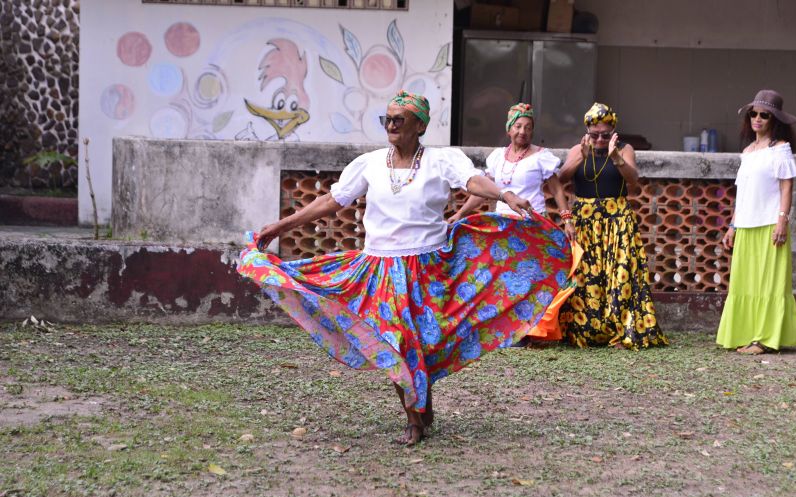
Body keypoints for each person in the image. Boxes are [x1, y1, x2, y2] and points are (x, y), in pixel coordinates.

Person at [238, 90, 572, 446]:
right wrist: (279, 226)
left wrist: (504, 195)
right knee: (396, 340)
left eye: (400, 119)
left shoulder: (441, 160)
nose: (392, 125)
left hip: (430, 268)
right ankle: (414, 418)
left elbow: (471, 181)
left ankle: (421, 397)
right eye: (388, 119)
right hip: (380, 269)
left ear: (420, 125)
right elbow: (332, 200)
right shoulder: (369, 163)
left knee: (426, 343)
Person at [448, 102, 578, 342]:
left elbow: (557, 191)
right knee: (501, 279)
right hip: (502, 227)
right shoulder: (497, 157)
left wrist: (566, 219)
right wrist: (461, 213)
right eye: (518, 126)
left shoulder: (541, 157)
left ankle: (530, 331)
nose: (523, 132)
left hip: (531, 225)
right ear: (509, 129)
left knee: (530, 278)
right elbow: (481, 192)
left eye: (528, 127)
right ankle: (504, 330)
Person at [557, 102, 668, 349]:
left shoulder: (624, 149)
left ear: (613, 132)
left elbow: (633, 180)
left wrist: (615, 156)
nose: (599, 139)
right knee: (586, 276)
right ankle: (588, 331)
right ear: (587, 132)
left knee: (620, 275)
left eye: (605, 135)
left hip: (617, 218)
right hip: (584, 220)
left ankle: (621, 331)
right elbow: (562, 178)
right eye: (594, 134)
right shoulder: (579, 148)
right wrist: (580, 158)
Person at [717, 89, 796, 354]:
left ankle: (764, 339)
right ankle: (746, 333)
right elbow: (743, 194)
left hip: (769, 226)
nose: (758, 119)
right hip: (746, 226)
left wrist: (782, 222)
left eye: (765, 115)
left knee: (768, 283)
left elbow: (787, 188)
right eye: (754, 113)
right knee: (745, 282)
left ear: (774, 120)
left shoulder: (781, 150)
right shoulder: (748, 151)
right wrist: (732, 225)